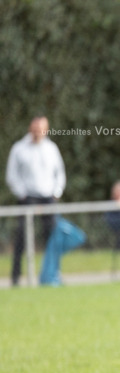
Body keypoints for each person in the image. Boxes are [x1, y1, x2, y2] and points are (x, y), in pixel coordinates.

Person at [5, 115, 66, 286]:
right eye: (35, 128)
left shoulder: (51, 148)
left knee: (53, 239)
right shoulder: (19, 148)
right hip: (28, 198)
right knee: (22, 238)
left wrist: (56, 193)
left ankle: (52, 275)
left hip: (48, 198)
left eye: (42, 128)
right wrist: (22, 194)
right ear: (30, 128)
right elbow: (12, 175)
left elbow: (59, 173)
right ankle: (16, 278)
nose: (38, 131)